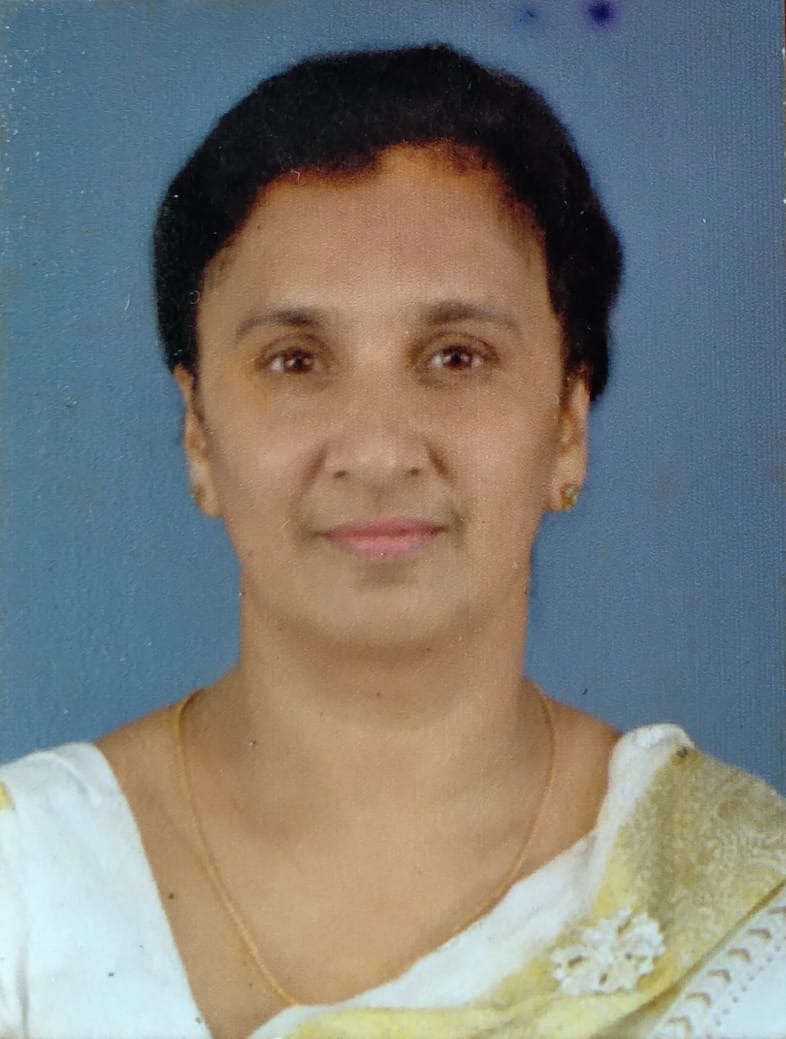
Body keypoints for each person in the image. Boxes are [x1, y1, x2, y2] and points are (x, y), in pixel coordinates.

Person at [0, 43, 784, 1039]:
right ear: (198, 435)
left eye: (456, 356)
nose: (376, 451)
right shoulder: (27, 885)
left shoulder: (746, 920)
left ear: (567, 424)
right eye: (295, 361)